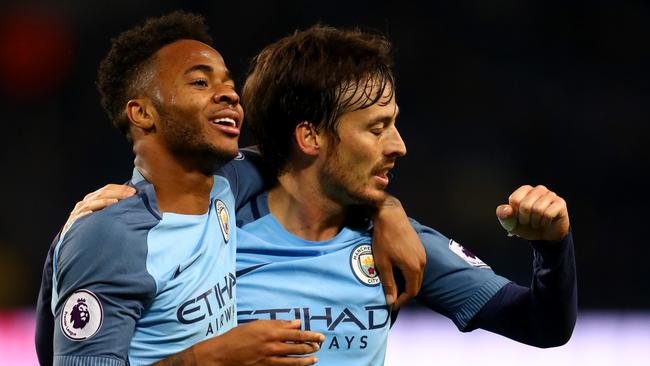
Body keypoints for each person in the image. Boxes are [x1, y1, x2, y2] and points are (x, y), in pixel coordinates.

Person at [56, 24, 577, 365]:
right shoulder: (212, 216)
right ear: (309, 137)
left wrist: (552, 247)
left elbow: (542, 326)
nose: (399, 146)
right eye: (376, 128)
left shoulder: (393, 241)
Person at [36, 12, 328, 366]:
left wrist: (387, 213)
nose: (230, 95)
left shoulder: (227, 184)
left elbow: (321, 165)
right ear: (143, 113)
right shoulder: (111, 239)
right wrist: (213, 357)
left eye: (228, 83)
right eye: (201, 83)